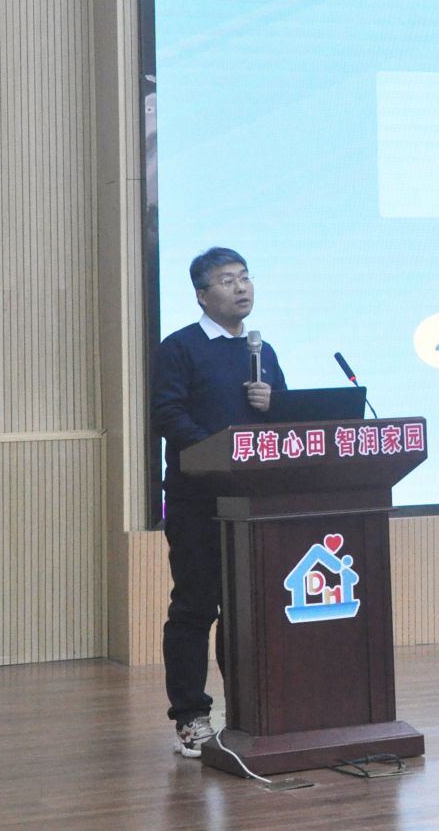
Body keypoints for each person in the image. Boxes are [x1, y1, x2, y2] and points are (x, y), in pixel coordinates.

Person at [151, 246, 288, 758]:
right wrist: (218, 454)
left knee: (245, 610)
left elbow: (285, 423)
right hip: (196, 503)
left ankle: (247, 709)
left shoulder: (262, 351)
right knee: (194, 608)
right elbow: (167, 414)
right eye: (228, 280)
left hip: (252, 504)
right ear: (202, 295)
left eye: (245, 277)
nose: (241, 287)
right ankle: (191, 717)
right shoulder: (180, 348)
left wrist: (275, 404)